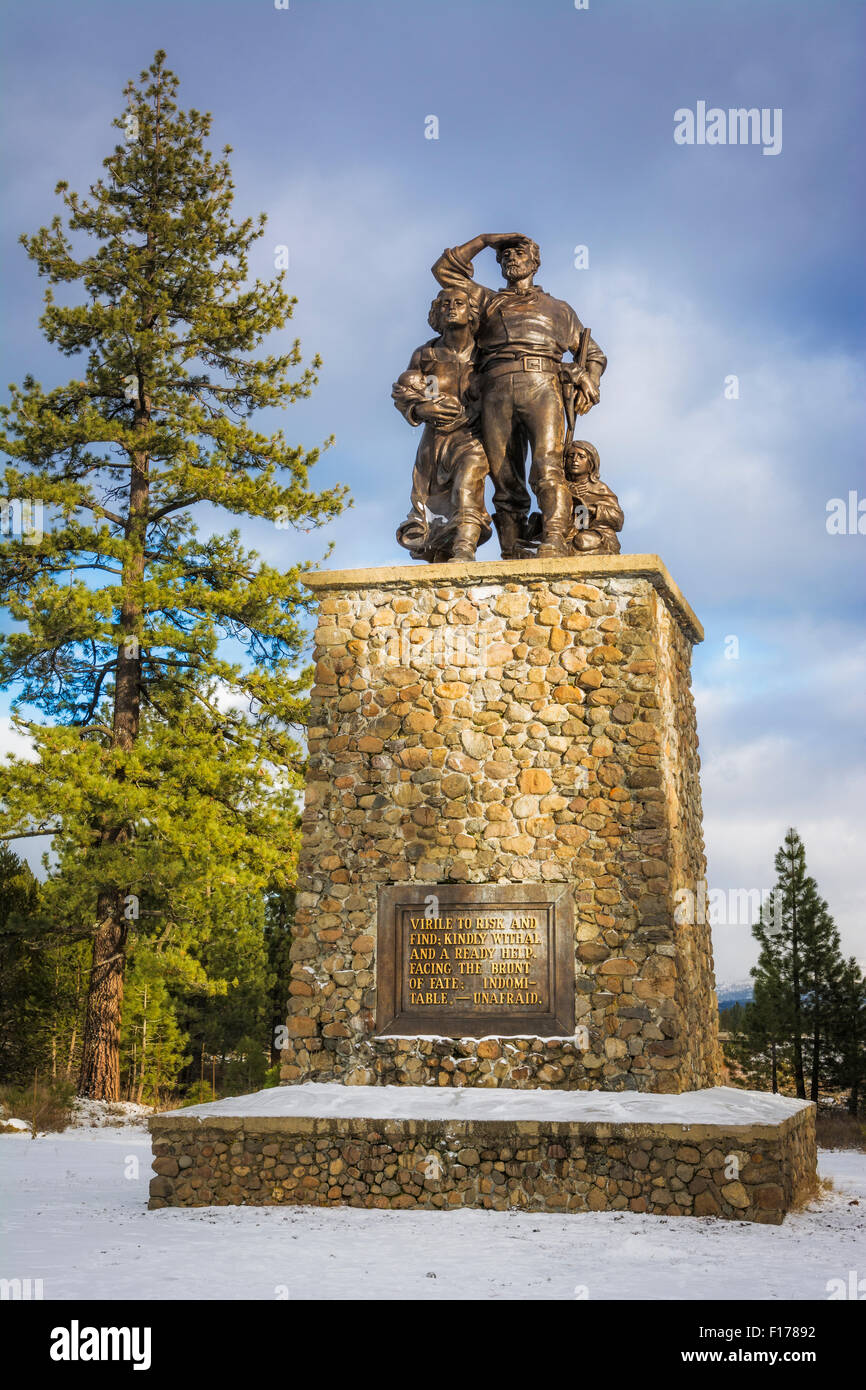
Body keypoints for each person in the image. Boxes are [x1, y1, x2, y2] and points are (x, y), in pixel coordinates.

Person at [432, 232, 606, 558]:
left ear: (534, 262)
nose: (511, 258)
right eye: (505, 255)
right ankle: (511, 549)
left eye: (519, 253)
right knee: (503, 476)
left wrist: (589, 379)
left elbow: (592, 353)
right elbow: (444, 270)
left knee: (547, 467)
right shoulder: (487, 301)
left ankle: (554, 540)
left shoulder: (558, 309)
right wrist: (485, 240)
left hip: (544, 386)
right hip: (495, 389)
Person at [393, 287, 491, 563]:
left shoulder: (485, 354)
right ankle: (440, 554)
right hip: (434, 440)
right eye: (444, 304)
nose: (451, 308)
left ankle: (464, 548)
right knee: (432, 502)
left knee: (467, 482)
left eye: (459, 303)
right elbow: (403, 392)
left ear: (471, 312)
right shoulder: (426, 354)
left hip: (473, 435)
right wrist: (423, 407)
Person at [564, 440, 623, 554]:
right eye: (571, 456)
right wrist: (567, 494)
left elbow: (618, 519)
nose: (575, 460)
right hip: (569, 532)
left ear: (591, 463)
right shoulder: (562, 487)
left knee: (582, 540)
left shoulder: (599, 488)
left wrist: (593, 509)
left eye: (581, 456)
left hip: (597, 534)